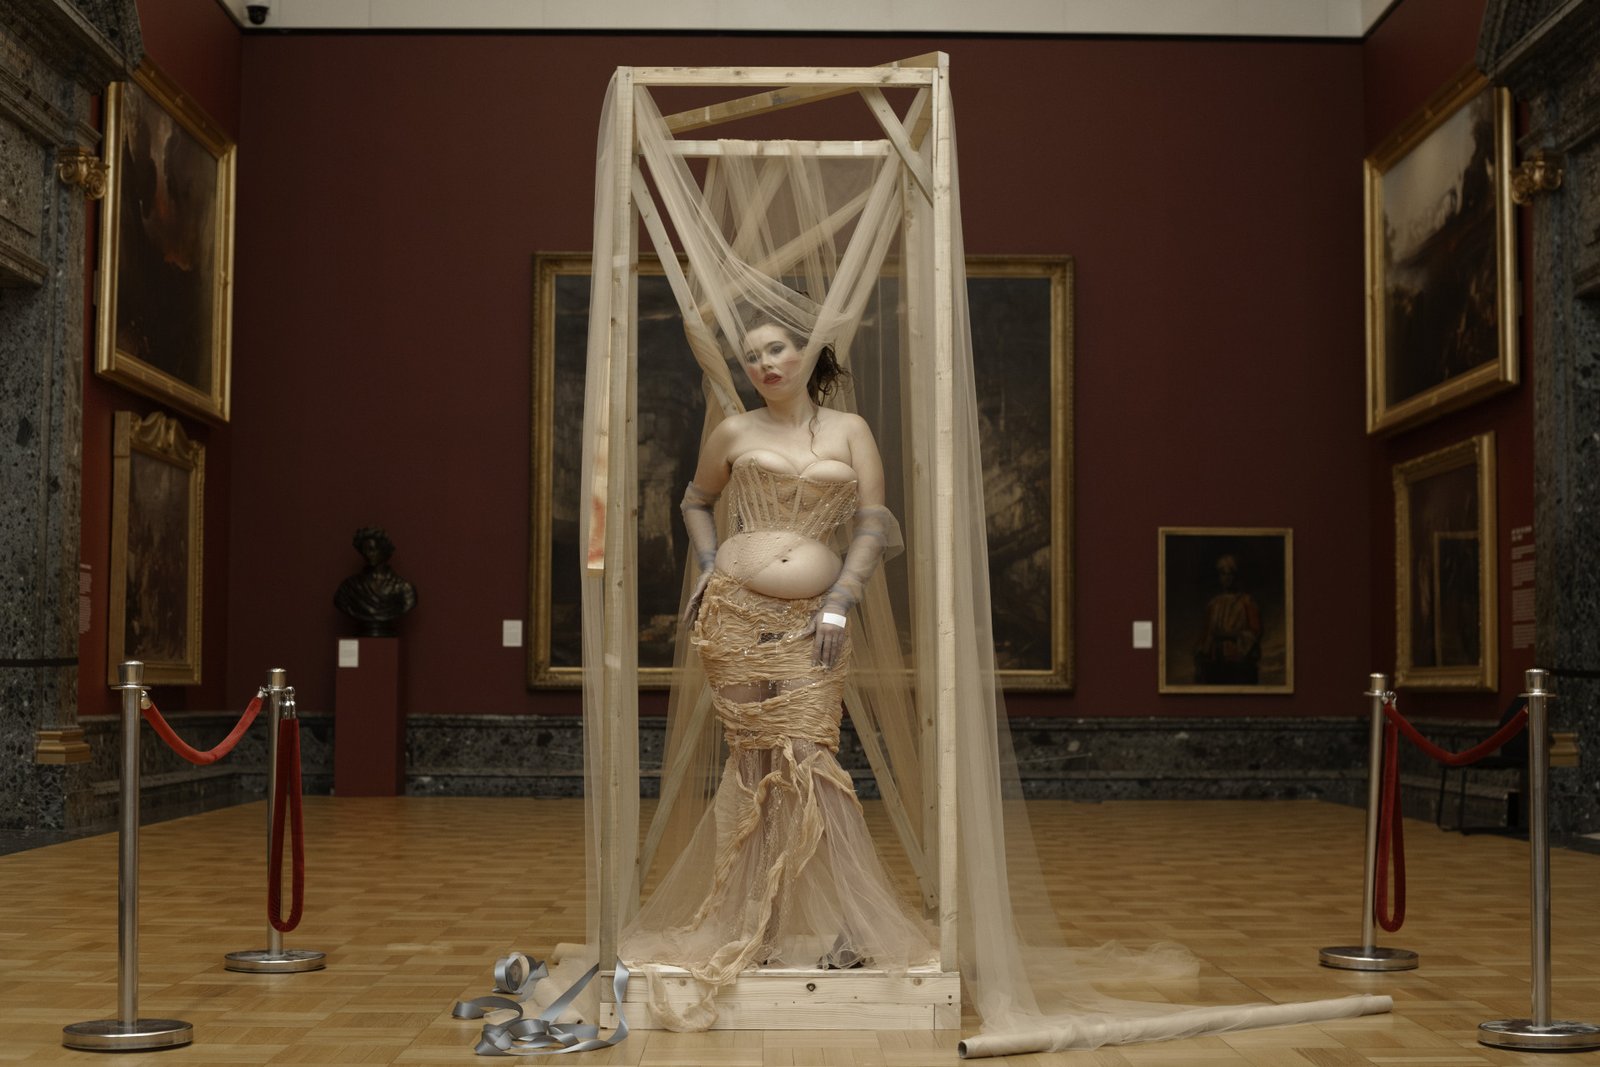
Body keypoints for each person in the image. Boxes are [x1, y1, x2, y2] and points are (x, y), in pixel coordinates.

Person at [618, 308, 935, 1028]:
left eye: (775, 349)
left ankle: (857, 924)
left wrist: (841, 601)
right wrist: (707, 565)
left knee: (811, 759)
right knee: (753, 763)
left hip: (814, 619)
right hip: (732, 616)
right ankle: (749, 926)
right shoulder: (734, 431)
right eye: (752, 355)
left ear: (806, 352)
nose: (763, 364)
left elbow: (873, 522)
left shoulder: (850, 430)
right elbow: (696, 500)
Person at [1192, 553, 1262, 685]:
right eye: (1223, 573)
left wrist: (1229, 635)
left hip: (1240, 665)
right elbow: (1205, 637)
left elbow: (1255, 633)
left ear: (1236, 576)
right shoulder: (1213, 604)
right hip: (1214, 665)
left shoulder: (1247, 602)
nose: (1227, 578)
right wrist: (1199, 654)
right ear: (1219, 577)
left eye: (1230, 573)